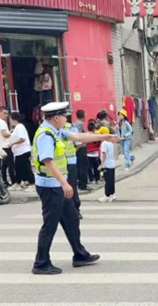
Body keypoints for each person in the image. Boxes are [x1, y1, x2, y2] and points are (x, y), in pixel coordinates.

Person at [31, 102, 119, 275]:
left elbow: (79, 137)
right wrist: (65, 183)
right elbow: (48, 161)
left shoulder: (55, 131)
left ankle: (80, 255)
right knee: (50, 224)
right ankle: (41, 263)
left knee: (71, 219)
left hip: (59, 185)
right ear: (56, 117)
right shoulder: (45, 135)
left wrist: (104, 137)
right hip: (51, 187)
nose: (66, 119)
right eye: (64, 116)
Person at [8, 112, 35, 191]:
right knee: (18, 168)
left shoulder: (20, 127)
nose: (10, 121)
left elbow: (22, 139)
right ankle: (18, 183)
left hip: (23, 151)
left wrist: (12, 144)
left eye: (10, 119)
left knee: (26, 168)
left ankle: (32, 183)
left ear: (13, 119)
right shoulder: (16, 128)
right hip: (18, 152)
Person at [64, 119, 82, 220]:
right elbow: (78, 145)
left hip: (69, 163)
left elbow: (78, 144)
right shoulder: (50, 129)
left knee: (71, 187)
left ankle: (75, 210)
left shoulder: (71, 128)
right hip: (61, 164)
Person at [0, 106, 15, 186]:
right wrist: (11, 133)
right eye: (4, 113)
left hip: (1, 146)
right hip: (6, 146)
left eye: (7, 114)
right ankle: (13, 181)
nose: (6, 115)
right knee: (10, 165)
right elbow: (4, 134)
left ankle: (4, 180)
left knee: (4, 165)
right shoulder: (2, 122)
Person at [98, 126, 117, 203]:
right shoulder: (110, 142)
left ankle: (107, 195)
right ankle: (113, 194)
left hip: (107, 164)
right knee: (111, 180)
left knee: (107, 180)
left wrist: (101, 165)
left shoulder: (104, 143)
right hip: (112, 163)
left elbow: (104, 155)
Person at [73, 110, 89, 191]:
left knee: (80, 166)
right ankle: (82, 184)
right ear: (83, 116)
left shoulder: (75, 124)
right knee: (82, 166)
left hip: (79, 148)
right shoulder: (79, 124)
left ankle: (81, 183)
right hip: (81, 148)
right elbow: (78, 137)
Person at [86, 120, 101, 184]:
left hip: (88, 154)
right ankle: (97, 179)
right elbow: (99, 143)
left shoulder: (85, 135)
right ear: (94, 128)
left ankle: (91, 179)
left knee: (89, 168)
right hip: (95, 154)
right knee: (96, 167)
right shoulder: (96, 135)